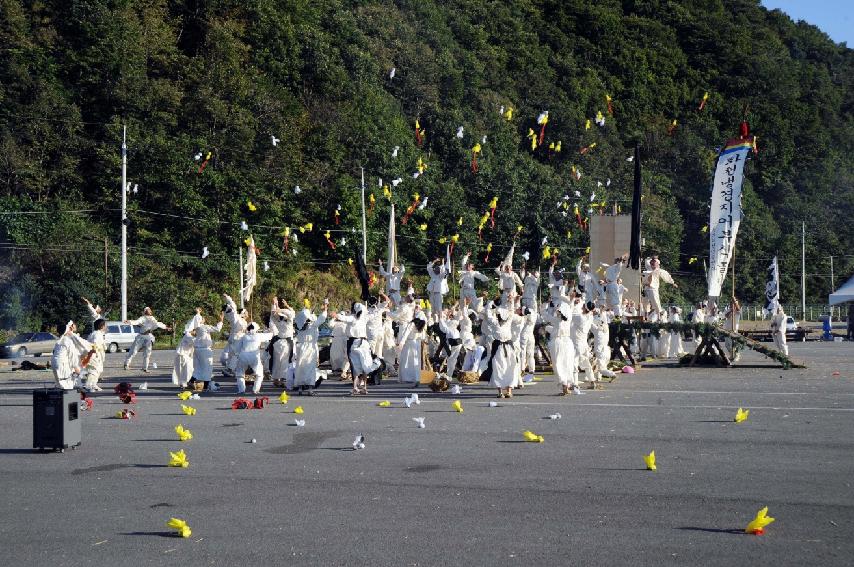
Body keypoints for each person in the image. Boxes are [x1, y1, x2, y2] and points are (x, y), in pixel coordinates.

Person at [335, 303, 383, 396]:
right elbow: (374, 314)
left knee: (355, 366)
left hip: (354, 344)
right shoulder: (364, 318)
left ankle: (355, 387)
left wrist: (335, 315)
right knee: (365, 365)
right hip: (364, 344)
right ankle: (364, 387)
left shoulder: (353, 318)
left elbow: (343, 318)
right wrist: (381, 307)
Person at [293, 301, 328, 395]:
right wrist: (325, 308)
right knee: (310, 368)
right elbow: (322, 318)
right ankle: (310, 389)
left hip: (300, 346)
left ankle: (300, 388)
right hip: (309, 347)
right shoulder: (312, 324)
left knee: (300, 367)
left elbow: (302, 316)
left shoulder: (298, 325)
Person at [544, 302, 577, 395]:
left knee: (559, 364)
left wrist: (543, 307)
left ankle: (564, 385)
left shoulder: (557, 320)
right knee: (567, 363)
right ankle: (566, 384)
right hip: (568, 342)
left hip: (558, 342)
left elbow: (546, 317)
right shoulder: (568, 319)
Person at [485, 305, 518, 398]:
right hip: (498, 349)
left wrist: (511, 301)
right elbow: (488, 314)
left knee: (510, 368)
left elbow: (511, 311)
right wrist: (490, 304)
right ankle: (500, 392)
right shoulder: (495, 323)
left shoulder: (508, 322)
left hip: (508, 349)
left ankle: (509, 391)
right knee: (498, 368)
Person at [124, 307, 171, 372]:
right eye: (148, 310)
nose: (150, 311)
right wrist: (129, 321)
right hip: (140, 336)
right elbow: (136, 322)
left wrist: (166, 327)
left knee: (147, 353)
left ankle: (145, 368)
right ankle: (126, 364)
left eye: (150, 310)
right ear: (145, 311)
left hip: (148, 336)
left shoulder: (152, 318)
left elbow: (158, 324)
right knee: (133, 351)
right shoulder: (142, 318)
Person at [232, 322, 273, 394]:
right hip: (254, 356)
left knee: (240, 373)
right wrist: (271, 328)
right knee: (259, 374)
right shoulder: (259, 335)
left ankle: (241, 390)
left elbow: (237, 348)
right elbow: (271, 335)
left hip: (243, 355)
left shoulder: (243, 336)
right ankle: (255, 390)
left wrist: (238, 355)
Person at [51, 321, 91, 390]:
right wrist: (76, 368)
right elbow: (72, 356)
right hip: (62, 364)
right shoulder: (67, 341)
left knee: (60, 384)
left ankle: (63, 398)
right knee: (67, 385)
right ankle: (69, 399)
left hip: (55, 364)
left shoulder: (59, 341)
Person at [189, 312, 223, 390]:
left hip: (197, 350)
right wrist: (221, 320)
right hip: (204, 350)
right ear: (201, 320)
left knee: (198, 368)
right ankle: (206, 386)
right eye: (203, 318)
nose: (204, 319)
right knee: (207, 368)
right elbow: (217, 329)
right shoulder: (204, 327)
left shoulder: (196, 327)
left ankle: (191, 381)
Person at [268, 297, 296, 387]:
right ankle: (283, 380)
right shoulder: (289, 322)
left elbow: (273, 315)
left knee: (277, 361)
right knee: (285, 362)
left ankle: (276, 379)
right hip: (286, 344)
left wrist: (274, 305)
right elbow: (291, 313)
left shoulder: (278, 322)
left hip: (278, 343)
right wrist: (283, 307)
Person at [397, 310, 428, 386]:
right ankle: (415, 377)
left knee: (406, 360)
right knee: (415, 361)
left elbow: (406, 333)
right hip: (416, 343)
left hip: (409, 343)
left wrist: (401, 343)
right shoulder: (422, 325)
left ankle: (406, 377)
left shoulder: (412, 324)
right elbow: (423, 337)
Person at [219, 294, 248, 377]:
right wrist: (228, 297)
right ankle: (230, 369)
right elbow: (233, 305)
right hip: (237, 338)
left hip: (234, 337)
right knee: (236, 354)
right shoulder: (235, 317)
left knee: (232, 354)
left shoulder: (234, 317)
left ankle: (229, 368)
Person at [83, 318, 107, 391]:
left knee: (98, 370)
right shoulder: (96, 334)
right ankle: (88, 385)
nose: (106, 327)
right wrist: (95, 353)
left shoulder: (98, 333)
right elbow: (94, 344)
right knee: (94, 370)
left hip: (97, 354)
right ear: (102, 326)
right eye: (105, 325)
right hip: (94, 355)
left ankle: (93, 384)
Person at [723, 296, 742, 361]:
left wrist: (735, 302)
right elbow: (726, 316)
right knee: (727, 344)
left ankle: (737, 355)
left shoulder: (738, 310)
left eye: (733, 303)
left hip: (734, 329)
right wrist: (731, 310)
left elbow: (738, 309)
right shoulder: (728, 310)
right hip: (727, 329)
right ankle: (731, 355)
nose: (732, 304)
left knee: (734, 344)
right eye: (731, 303)